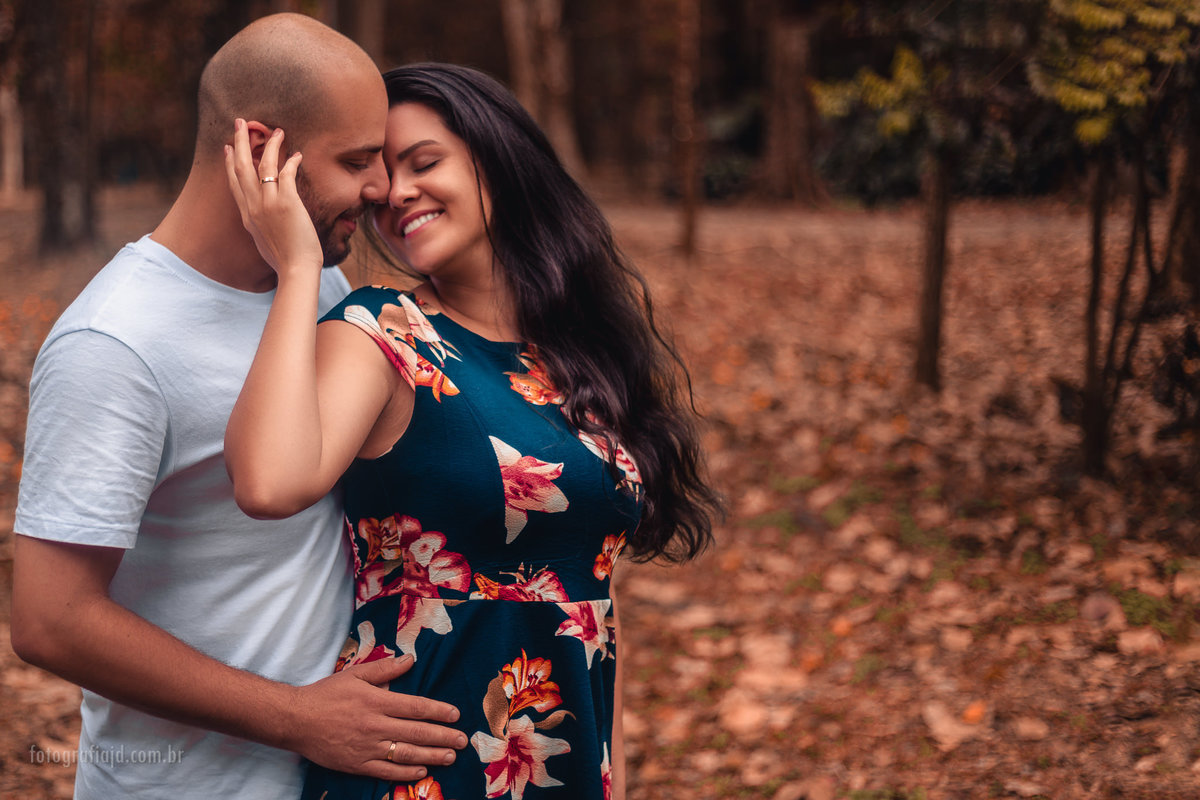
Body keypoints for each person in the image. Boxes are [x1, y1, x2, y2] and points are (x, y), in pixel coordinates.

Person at [223, 62, 723, 800]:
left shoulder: (576, 349)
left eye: (425, 163)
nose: (397, 194)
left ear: (500, 162)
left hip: (568, 763)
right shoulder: (382, 331)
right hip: (421, 767)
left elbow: (590, 596)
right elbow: (267, 483)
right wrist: (296, 268)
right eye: (384, 176)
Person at [9, 16, 467, 800]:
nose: (382, 189)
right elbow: (50, 621)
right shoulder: (114, 342)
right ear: (261, 150)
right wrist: (296, 717)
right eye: (357, 160)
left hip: (337, 777)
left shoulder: (316, 280)